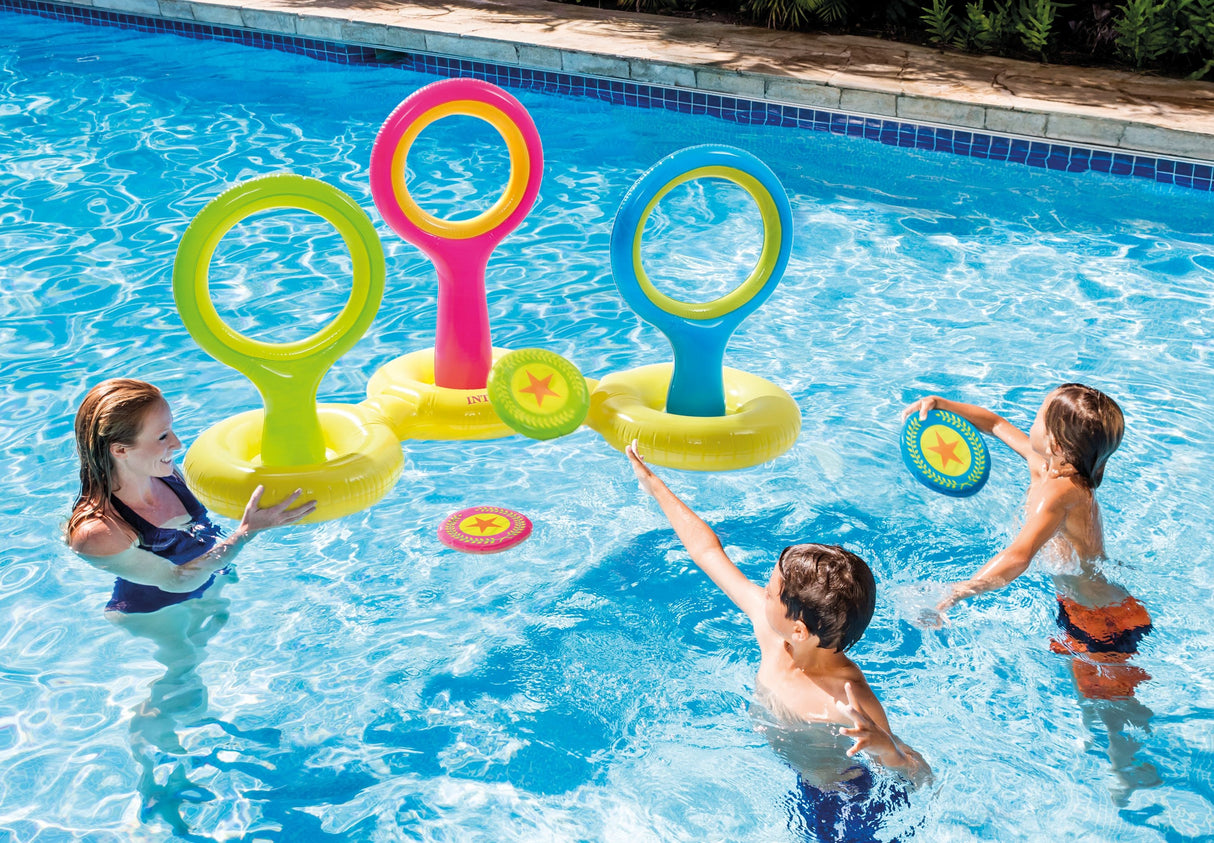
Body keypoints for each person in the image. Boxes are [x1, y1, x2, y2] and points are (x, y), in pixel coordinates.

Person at [624, 441, 929, 839]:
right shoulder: (772, 630)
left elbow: (919, 774)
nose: (760, 594)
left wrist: (885, 748)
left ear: (799, 630)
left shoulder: (848, 698)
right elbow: (707, 552)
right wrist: (653, 484)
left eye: (769, 593)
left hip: (840, 799)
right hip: (794, 773)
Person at [905, 385, 1158, 801]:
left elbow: (1018, 556)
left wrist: (956, 593)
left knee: (1112, 702)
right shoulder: (1048, 466)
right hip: (1082, 607)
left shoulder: (1060, 493)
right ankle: (1100, 735)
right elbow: (995, 424)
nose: (1030, 422)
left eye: (1038, 416)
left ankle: (1125, 768)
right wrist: (942, 405)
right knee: (1090, 687)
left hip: (1101, 620)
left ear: (1056, 442)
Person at [67, 378, 316, 611]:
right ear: (120, 450)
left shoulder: (164, 472)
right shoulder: (100, 533)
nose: (177, 444)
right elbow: (177, 581)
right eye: (163, 436)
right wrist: (246, 532)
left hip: (211, 582)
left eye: (171, 430)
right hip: (157, 614)